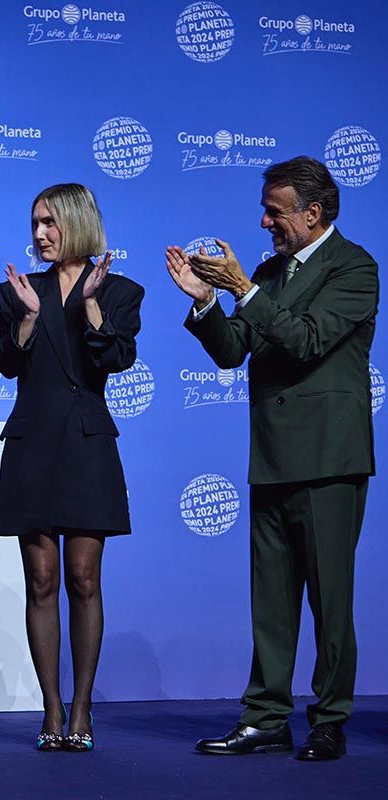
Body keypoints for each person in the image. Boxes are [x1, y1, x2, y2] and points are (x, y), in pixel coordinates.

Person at [168, 156, 377, 762]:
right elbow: (236, 350)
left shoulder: (355, 268)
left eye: (275, 211)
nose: (264, 222)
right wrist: (208, 301)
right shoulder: (265, 273)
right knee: (272, 600)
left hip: (329, 459)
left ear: (313, 214)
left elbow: (308, 339)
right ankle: (265, 717)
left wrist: (244, 290)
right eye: (265, 210)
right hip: (272, 456)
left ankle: (330, 719)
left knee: (329, 600)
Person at [0, 184, 142, 752]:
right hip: (32, 444)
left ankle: (83, 707)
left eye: (49, 222)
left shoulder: (121, 290)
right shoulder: (20, 291)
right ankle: (51, 709)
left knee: (83, 577)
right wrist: (27, 318)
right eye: (34, 223)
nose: (39, 234)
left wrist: (94, 307)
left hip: (86, 445)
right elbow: (3, 361)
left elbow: (117, 359)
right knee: (41, 580)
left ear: (76, 222)